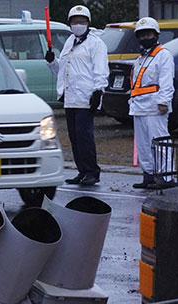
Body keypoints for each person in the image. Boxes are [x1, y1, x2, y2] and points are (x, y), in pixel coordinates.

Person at [45, 4, 109, 186]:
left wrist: (99, 90)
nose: (78, 24)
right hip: (70, 97)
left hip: (86, 98)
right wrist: (52, 62)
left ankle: (92, 171)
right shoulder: (69, 42)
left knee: (84, 136)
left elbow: (101, 70)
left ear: (88, 23)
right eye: (75, 21)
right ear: (70, 23)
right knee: (74, 137)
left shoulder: (96, 44)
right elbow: (61, 71)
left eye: (81, 21)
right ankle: (82, 170)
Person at [128, 17, 175, 190]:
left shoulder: (163, 55)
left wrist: (164, 101)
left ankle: (166, 177)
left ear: (156, 35)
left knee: (160, 143)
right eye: (141, 35)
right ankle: (149, 175)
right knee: (143, 146)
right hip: (139, 107)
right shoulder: (141, 58)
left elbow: (166, 81)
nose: (144, 38)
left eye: (148, 34)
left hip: (155, 108)